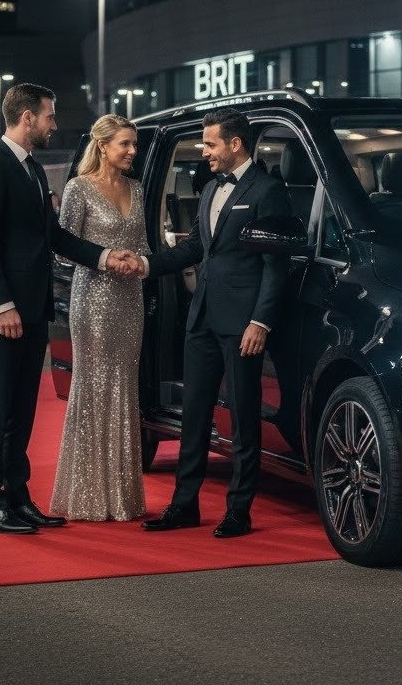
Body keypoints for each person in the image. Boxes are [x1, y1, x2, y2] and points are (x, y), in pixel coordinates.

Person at [0, 83, 137, 535]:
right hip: (2, 311)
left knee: (21, 408)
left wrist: (104, 256)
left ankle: (17, 497)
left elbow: (53, 238)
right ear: (26, 118)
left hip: (33, 309)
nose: (54, 124)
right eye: (49, 116)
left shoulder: (33, 171)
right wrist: (2, 305)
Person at [136, 107, 291, 539]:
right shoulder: (208, 190)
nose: (204, 152)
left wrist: (260, 322)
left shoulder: (267, 191)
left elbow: (275, 266)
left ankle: (238, 511)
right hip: (201, 318)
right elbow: (196, 251)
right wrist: (147, 266)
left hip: (242, 325)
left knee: (243, 420)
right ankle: (183, 506)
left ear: (235, 144)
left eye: (210, 144)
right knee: (193, 418)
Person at [50, 115, 150, 521]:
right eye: (125, 144)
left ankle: (123, 497)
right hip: (93, 299)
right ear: (103, 145)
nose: (132, 151)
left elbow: (142, 242)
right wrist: (106, 259)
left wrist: (137, 261)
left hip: (130, 298)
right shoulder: (78, 188)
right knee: (92, 386)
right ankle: (88, 495)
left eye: (134, 145)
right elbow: (62, 248)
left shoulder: (138, 189)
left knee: (125, 387)